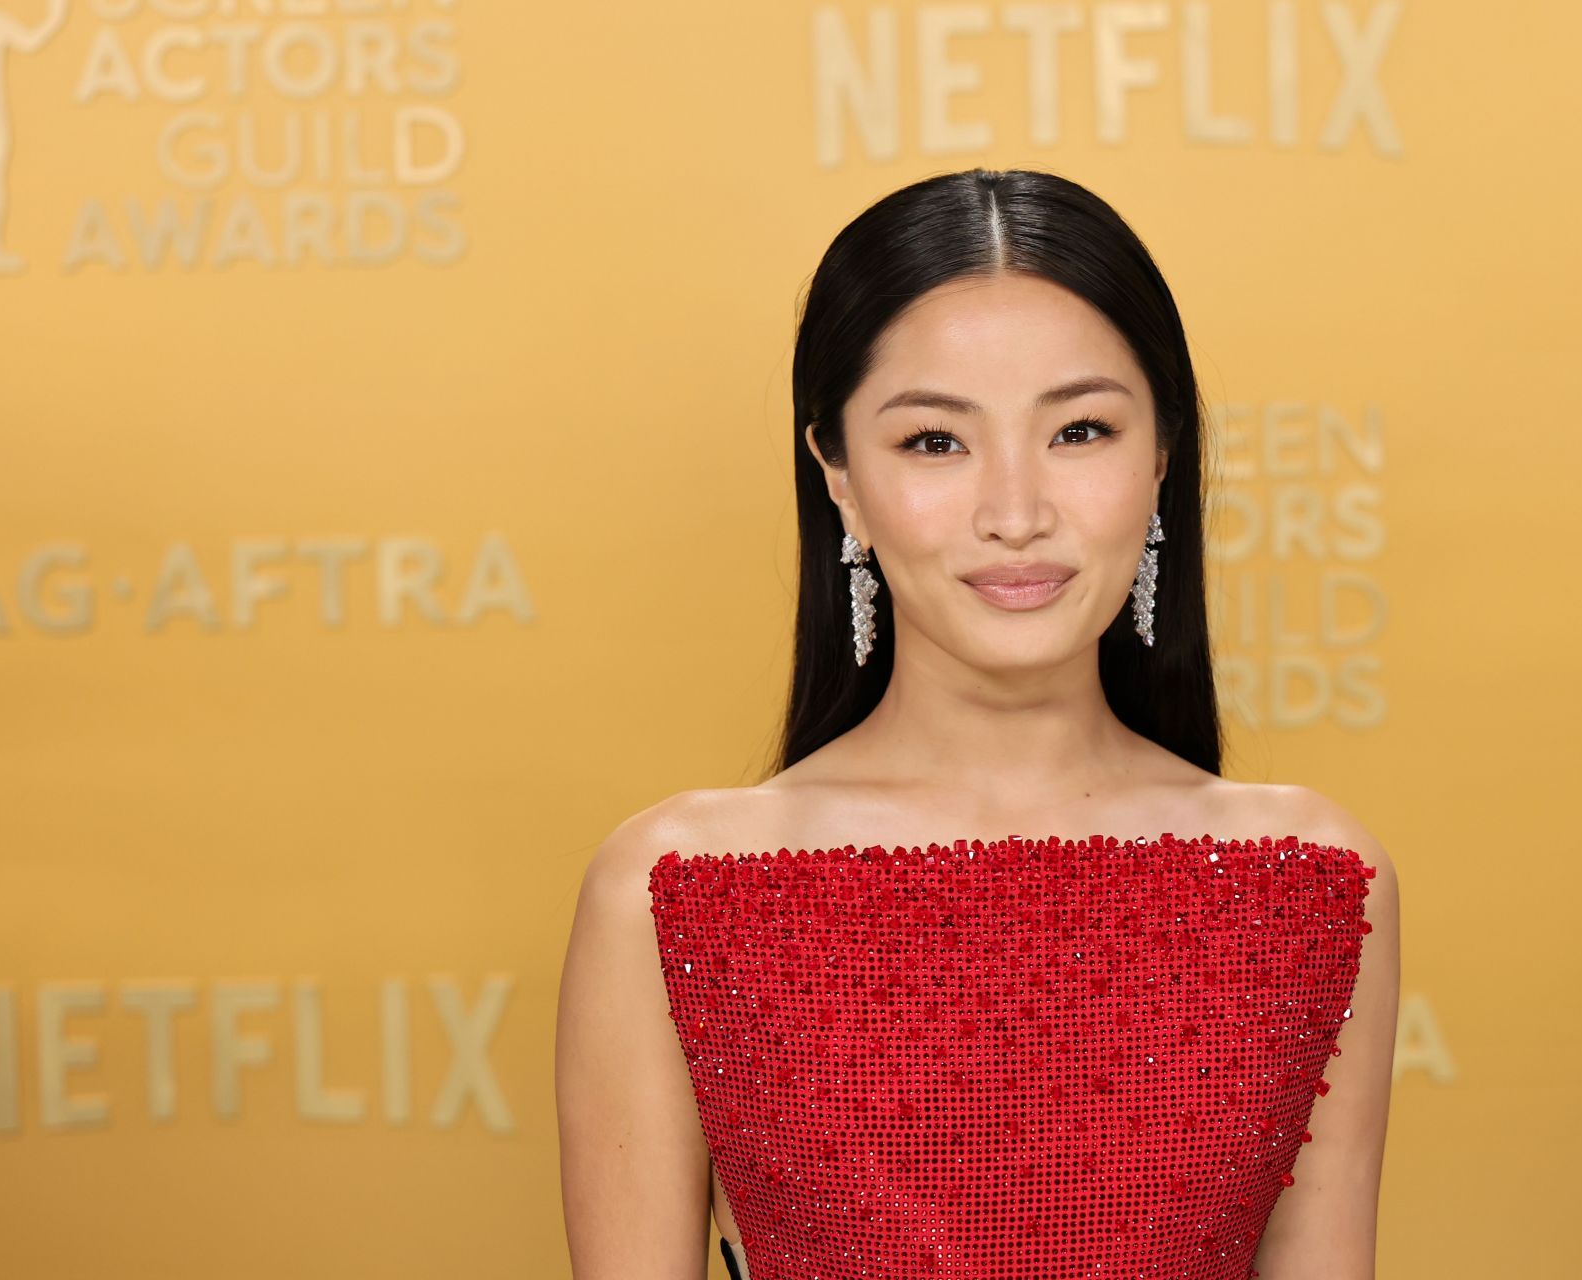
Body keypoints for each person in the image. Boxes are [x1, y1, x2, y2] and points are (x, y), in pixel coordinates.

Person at [555, 167, 1401, 1280]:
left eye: (1081, 429)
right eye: (935, 443)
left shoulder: (1313, 880)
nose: (1015, 513)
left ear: (1161, 458)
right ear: (841, 476)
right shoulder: (671, 888)